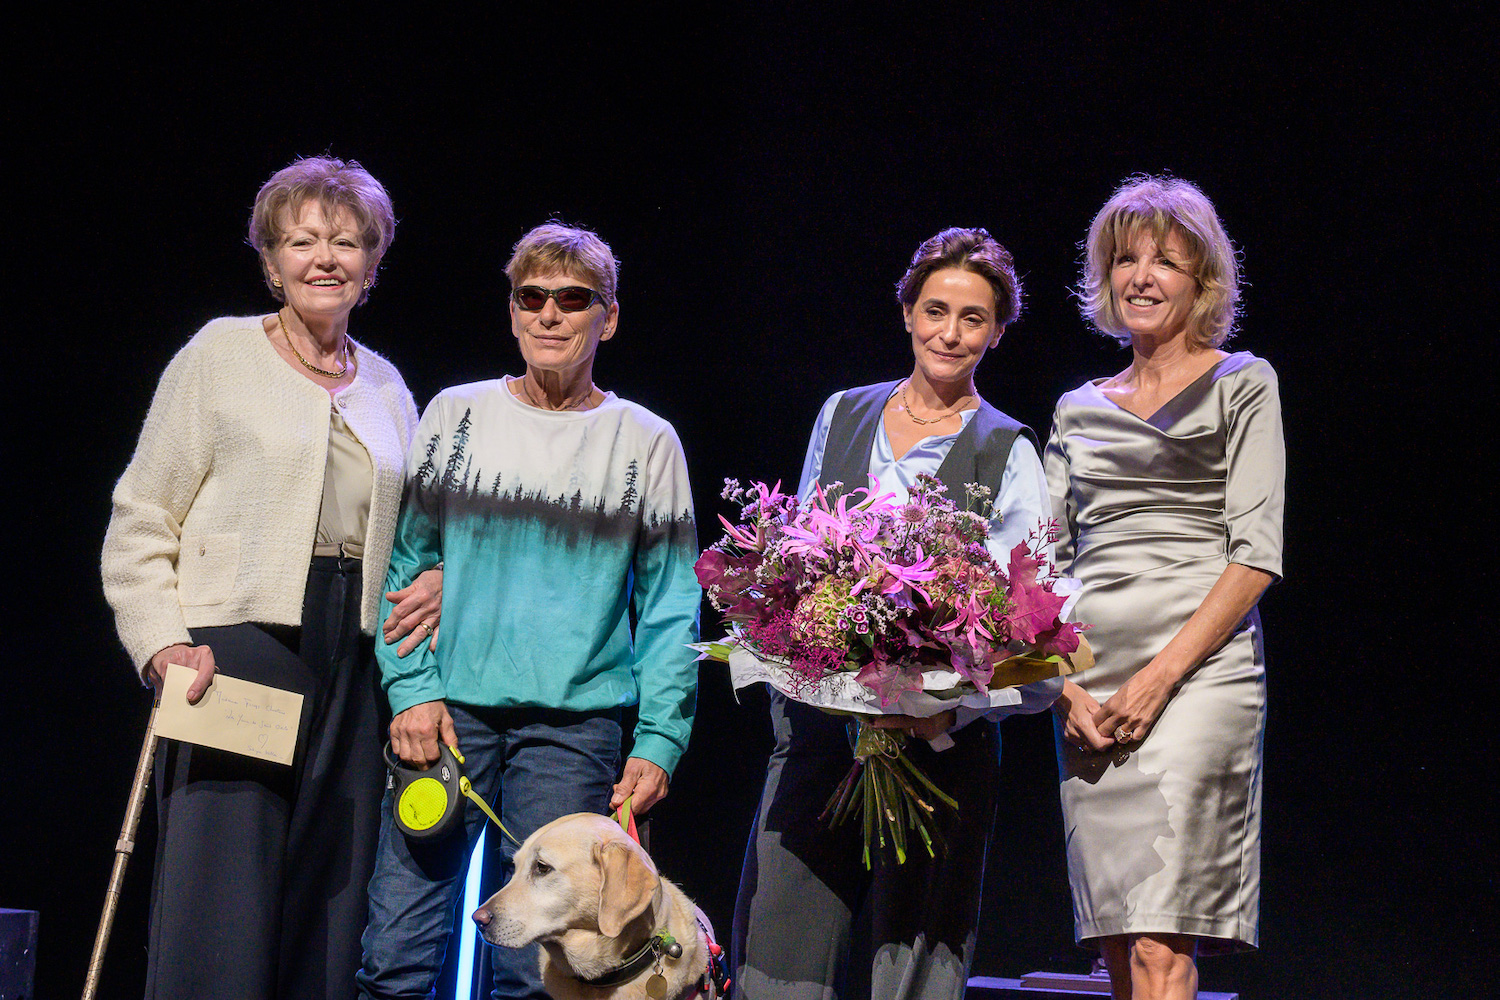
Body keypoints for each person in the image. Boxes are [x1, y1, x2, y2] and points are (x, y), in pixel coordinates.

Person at [101, 155, 443, 1000]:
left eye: (346, 243)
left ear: (372, 264)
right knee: (222, 896)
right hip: (238, 651)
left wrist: (437, 578)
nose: (324, 259)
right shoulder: (220, 353)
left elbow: (417, 532)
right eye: (302, 241)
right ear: (270, 261)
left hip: (355, 660)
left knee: (331, 899)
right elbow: (142, 516)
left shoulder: (389, 385)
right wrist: (160, 644)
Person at [357, 222, 702, 1000]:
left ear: (607, 317)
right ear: (512, 310)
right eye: (531, 296)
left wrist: (660, 739)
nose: (549, 313)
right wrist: (411, 693)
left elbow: (671, 606)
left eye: (572, 299)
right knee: (398, 948)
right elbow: (406, 566)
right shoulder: (456, 415)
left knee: (537, 970)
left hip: (573, 734)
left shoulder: (646, 441)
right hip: (451, 718)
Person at [732, 228, 1064, 1000]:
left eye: (973, 318)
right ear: (907, 312)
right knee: (779, 961)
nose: (950, 333)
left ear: (998, 332)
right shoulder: (844, 413)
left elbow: (1030, 621)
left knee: (915, 972)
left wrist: (945, 711)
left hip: (938, 749)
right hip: (821, 735)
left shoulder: (1008, 449)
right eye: (935, 310)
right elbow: (801, 560)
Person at [1045, 175, 1284, 1000]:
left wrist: (1158, 679)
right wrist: (1060, 687)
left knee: (1159, 943)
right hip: (1089, 689)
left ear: (1202, 281)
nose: (1142, 277)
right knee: (1120, 945)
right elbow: (1036, 570)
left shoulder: (1243, 381)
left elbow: (1255, 555)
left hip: (1197, 678)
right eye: (1126, 259)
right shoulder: (1077, 408)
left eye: (1167, 262)